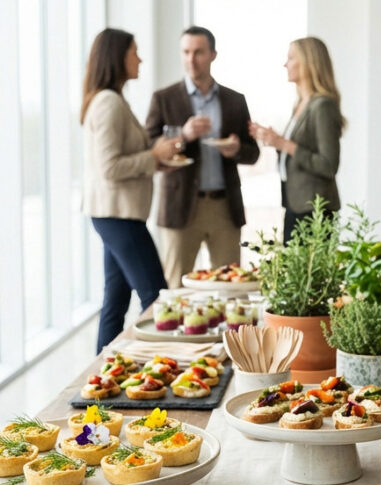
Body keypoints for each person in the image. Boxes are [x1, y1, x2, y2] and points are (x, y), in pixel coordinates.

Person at [146, 26, 260, 288]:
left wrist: (236, 150)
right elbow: (148, 147)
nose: (191, 59)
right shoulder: (164, 99)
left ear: (213, 55)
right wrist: (182, 136)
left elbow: (253, 152)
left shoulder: (235, 100)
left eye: (198, 52)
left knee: (230, 288)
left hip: (224, 208)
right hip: (180, 206)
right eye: (186, 52)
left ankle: (225, 332)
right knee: (175, 287)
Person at [81, 28, 173, 353]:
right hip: (117, 215)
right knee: (157, 298)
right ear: (118, 57)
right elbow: (109, 168)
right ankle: (169, 372)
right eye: (135, 52)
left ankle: (99, 383)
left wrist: (158, 161)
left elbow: (121, 161)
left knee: (115, 300)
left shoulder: (112, 99)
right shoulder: (108, 103)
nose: (140, 59)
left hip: (116, 213)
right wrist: (153, 156)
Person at [249, 37, 344, 242]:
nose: (286, 64)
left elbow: (328, 165)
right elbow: (296, 151)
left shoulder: (322, 106)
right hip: (295, 203)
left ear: (309, 62)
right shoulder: (301, 104)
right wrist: (274, 141)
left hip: (315, 210)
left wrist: (284, 144)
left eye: (291, 58)